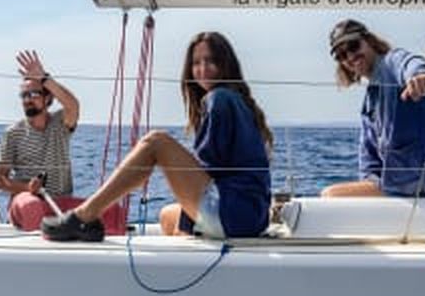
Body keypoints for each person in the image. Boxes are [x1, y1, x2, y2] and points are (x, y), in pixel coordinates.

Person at [42, 31, 273, 242]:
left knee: (156, 142)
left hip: (233, 213)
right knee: (166, 216)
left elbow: (209, 170)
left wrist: (187, 222)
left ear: (226, 65)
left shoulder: (219, 98)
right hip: (250, 218)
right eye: (196, 63)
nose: (203, 68)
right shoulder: (237, 100)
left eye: (211, 60)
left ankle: (83, 216)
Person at [321, 19, 425, 198]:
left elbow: (410, 63)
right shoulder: (368, 104)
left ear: (369, 41)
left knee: (330, 196)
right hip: (397, 190)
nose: (349, 57)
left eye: (353, 46)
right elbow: (368, 163)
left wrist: (421, 76)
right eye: (341, 56)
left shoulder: (392, 61)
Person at [0, 50, 124, 233]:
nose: (27, 100)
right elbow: (0, 181)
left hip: (60, 201)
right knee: (32, 208)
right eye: (24, 96)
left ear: (48, 98)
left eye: (33, 94)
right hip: (25, 201)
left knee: (113, 212)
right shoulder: (12, 133)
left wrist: (43, 77)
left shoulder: (60, 124)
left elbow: (73, 105)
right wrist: (27, 187)